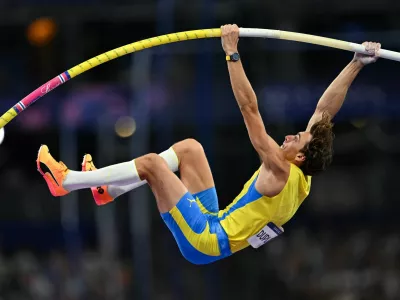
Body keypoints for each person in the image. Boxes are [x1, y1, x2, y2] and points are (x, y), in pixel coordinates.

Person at [36, 24, 381, 265]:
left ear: (300, 155)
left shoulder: (279, 167)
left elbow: (249, 110)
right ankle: (107, 190)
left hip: (205, 240)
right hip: (214, 222)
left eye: (296, 138)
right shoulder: (301, 180)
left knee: (153, 165)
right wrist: (356, 63)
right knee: (190, 149)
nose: (291, 135)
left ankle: (67, 182)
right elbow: (324, 110)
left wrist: (231, 53)